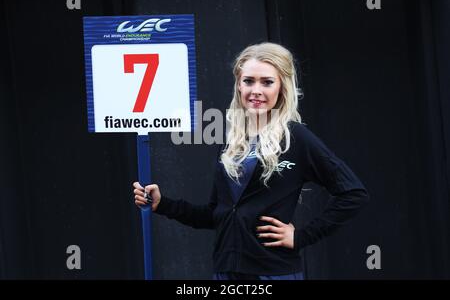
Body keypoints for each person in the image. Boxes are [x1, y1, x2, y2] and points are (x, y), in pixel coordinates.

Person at [133, 42, 369, 280]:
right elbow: (217, 215)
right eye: (249, 81)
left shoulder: (295, 138)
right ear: (238, 84)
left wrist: (302, 236)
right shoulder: (231, 142)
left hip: (272, 273)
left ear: (282, 87)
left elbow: (353, 193)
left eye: (267, 82)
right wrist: (164, 204)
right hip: (226, 272)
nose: (256, 90)